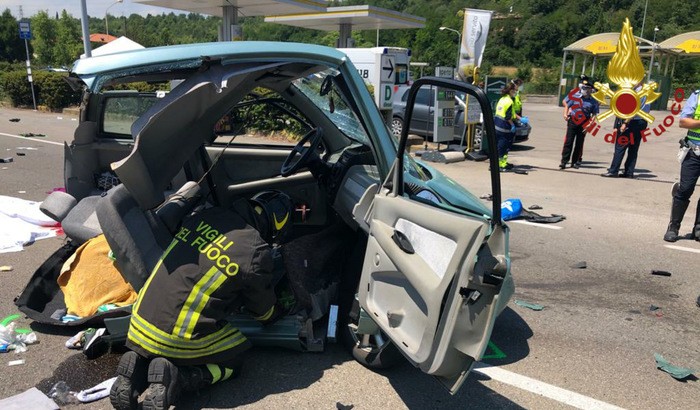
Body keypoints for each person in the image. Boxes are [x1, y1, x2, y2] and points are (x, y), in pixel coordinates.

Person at [110, 190, 293, 410]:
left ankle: (136, 369)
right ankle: (181, 378)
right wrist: (277, 312)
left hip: (139, 319)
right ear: (274, 227)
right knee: (235, 357)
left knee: (159, 341)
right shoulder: (255, 250)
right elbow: (262, 310)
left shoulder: (205, 217)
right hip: (176, 335)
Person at [664, 88, 700, 242]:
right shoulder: (698, 96)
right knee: (685, 189)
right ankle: (673, 227)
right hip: (694, 152)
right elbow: (683, 121)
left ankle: (698, 230)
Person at [601, 81, 650, 178]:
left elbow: (633, 109)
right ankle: (629, 172)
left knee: (620, 146)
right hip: (642, 121)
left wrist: (625, 123)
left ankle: (613, 170)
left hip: (632, 122)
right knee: (633, 148)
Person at [560, 76, 600, 169]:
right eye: (583, 87)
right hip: (573, 120)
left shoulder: (593, 101)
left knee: (579, 143)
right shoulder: (575, 96)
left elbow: (594, 114)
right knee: (568, 142)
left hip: (584, 122)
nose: (584, 89)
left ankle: (574, 162)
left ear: (590, 90)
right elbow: (566, 104)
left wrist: (589, 125)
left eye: (586, 88)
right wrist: (565, 114)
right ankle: (564, 161)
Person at [494, 82, 518, 171]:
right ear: (511, 91)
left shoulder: (502, 99)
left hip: (497, 125)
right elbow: (508, 116)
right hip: (504, 127)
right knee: (503, 147)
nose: (515, 92)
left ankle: (502, 163)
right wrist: (512, 125)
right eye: (515, 90)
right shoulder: (509, 101)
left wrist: (519, 118)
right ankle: (500, 166)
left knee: (499, 146)